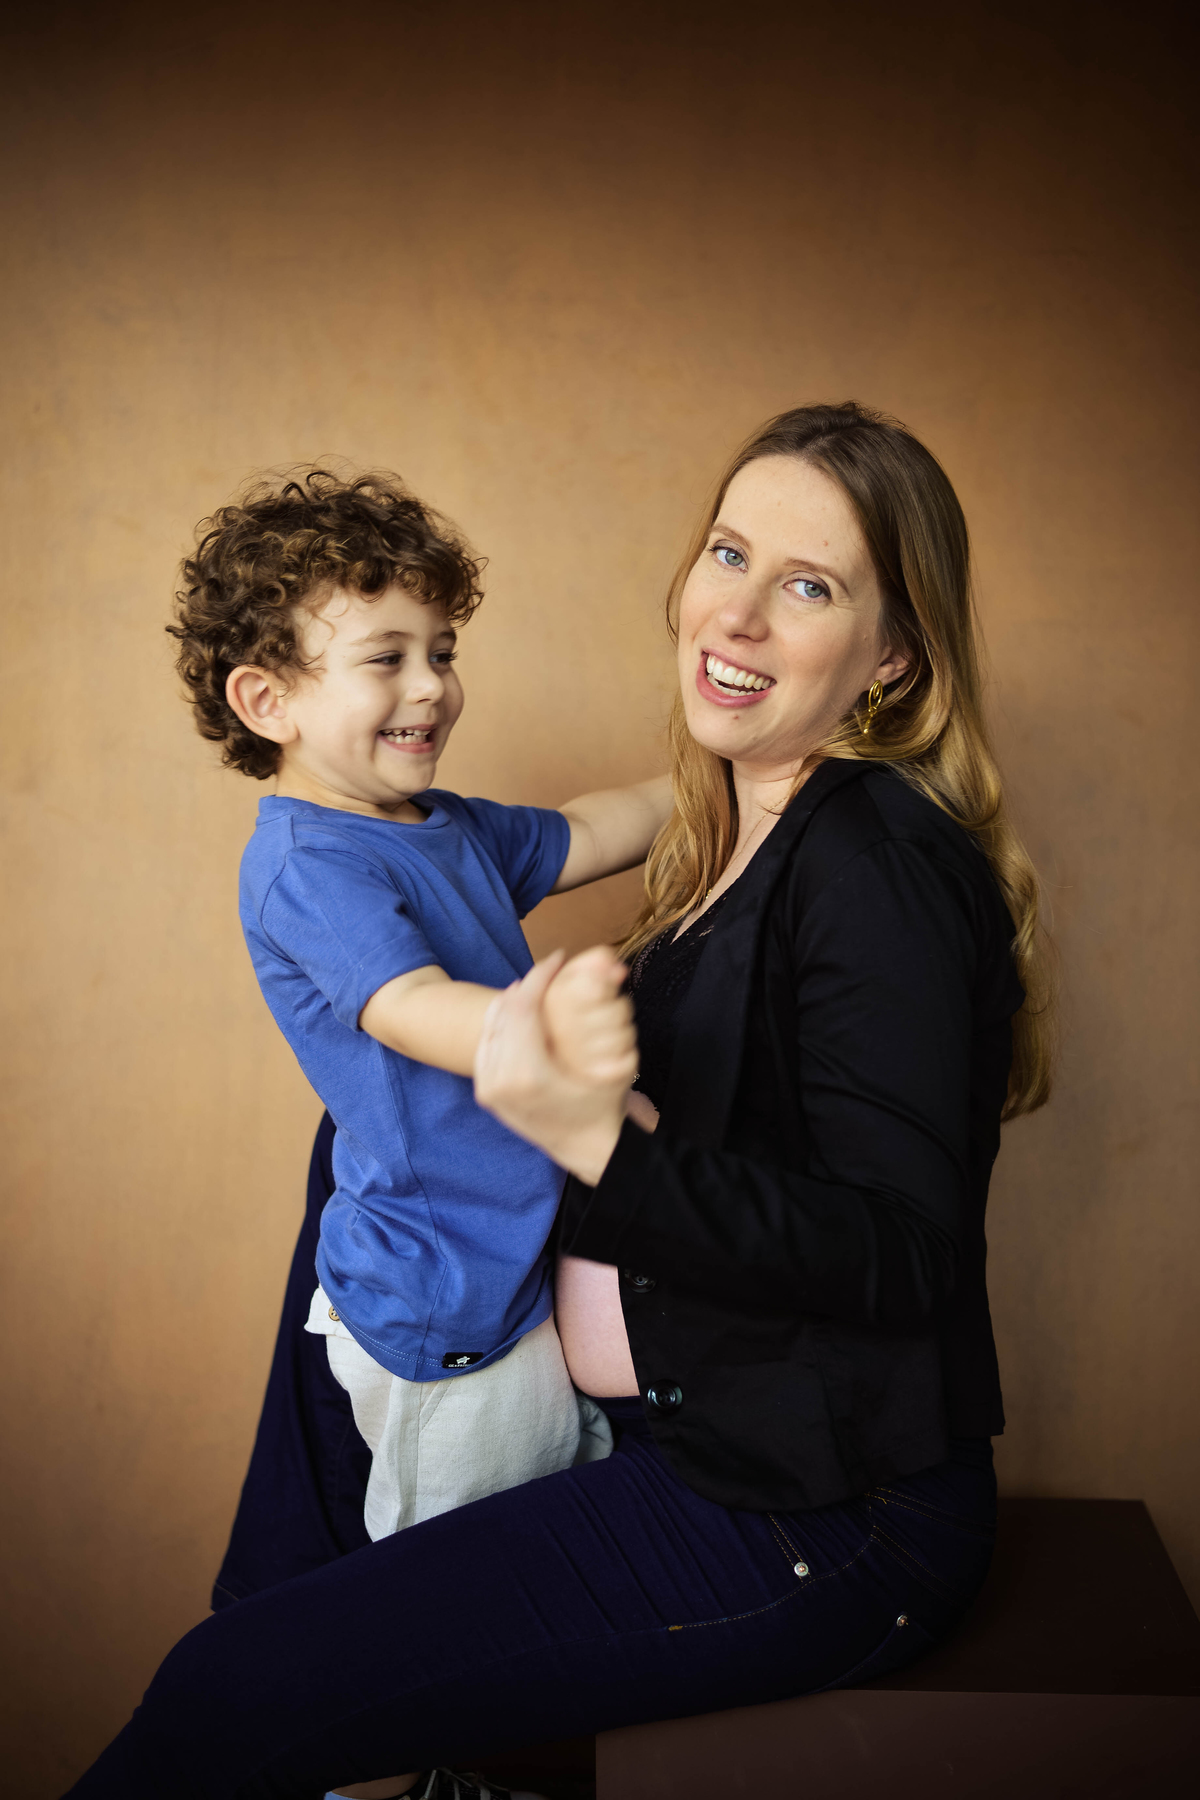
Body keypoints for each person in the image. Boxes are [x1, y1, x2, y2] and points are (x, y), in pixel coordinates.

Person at [67, 403, 1051, 1800]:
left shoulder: (876, 860)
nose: (743, 613)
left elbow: (902, 1253)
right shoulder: (738, 833)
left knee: (227, 1696)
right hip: (644, 1425)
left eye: (811, 585)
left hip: (816, 1512)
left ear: (891, 657)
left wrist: (592, 1135)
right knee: (249, 1659)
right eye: (729, 552)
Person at [169, 468, 670, 1549]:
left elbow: (591, 827)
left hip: (515, 1258)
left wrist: (725, 771)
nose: (432, 685)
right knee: (473, 1570)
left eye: (441, 652)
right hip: (445, 1292)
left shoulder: (439, 825)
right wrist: (545, 1034)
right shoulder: (310, 864)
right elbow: (412, 1007)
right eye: (386, 659)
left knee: (561, 1518)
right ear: (270, 701)